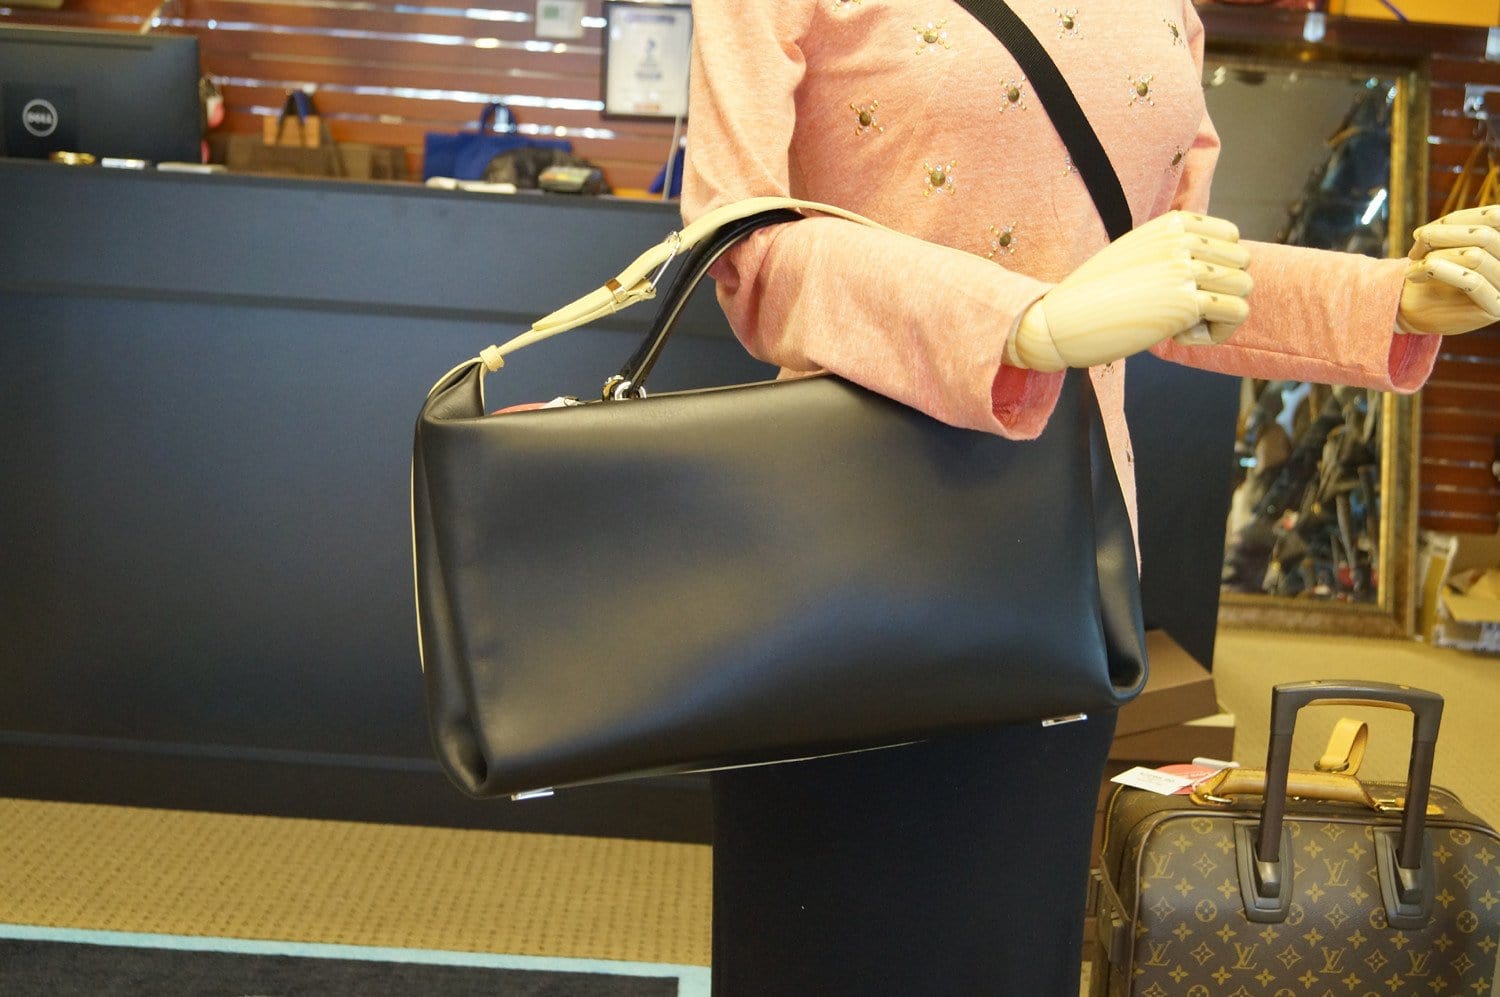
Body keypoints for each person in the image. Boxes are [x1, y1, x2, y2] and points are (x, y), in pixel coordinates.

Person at [679, 1, 1500, 994]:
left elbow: (1182, 273)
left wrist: (1391, 300)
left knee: (1012, 934)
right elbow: (741, 240)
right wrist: (1024, 321)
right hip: (842, 554)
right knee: (825, 935)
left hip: (1061, 560)